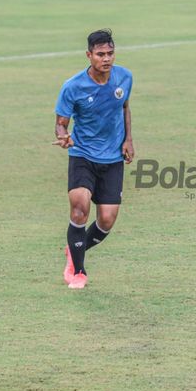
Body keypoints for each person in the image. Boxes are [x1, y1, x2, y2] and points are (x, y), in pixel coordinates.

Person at [53, 29, 135, 289]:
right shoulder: (73, 86)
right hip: (83, 154)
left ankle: (74, 249)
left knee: (107, 220)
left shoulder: (125, 77)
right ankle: (78, 271)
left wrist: (128, 140)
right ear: (89, 55)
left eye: (110, 53)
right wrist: (64, 136)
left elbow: (124, 107)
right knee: (79, 207)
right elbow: (60, 124)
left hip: (112, 158)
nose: (106, 59)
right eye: (100, 54)